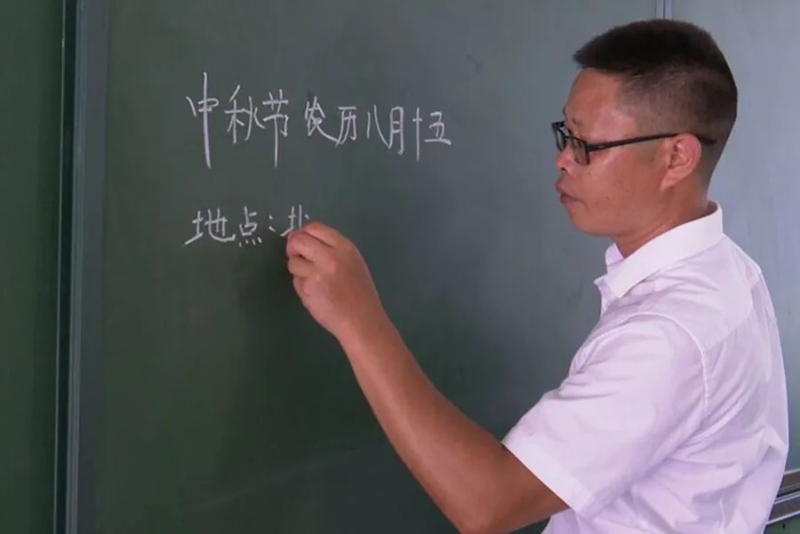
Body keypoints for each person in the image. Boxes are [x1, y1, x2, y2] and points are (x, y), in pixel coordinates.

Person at [285, 18, 789, 534]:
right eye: (565, 135)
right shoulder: (725, 270)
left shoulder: (671, 335)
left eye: (586, 145)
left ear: (676, 157)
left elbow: (488, 503)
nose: (563, 160)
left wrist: (360, 321)